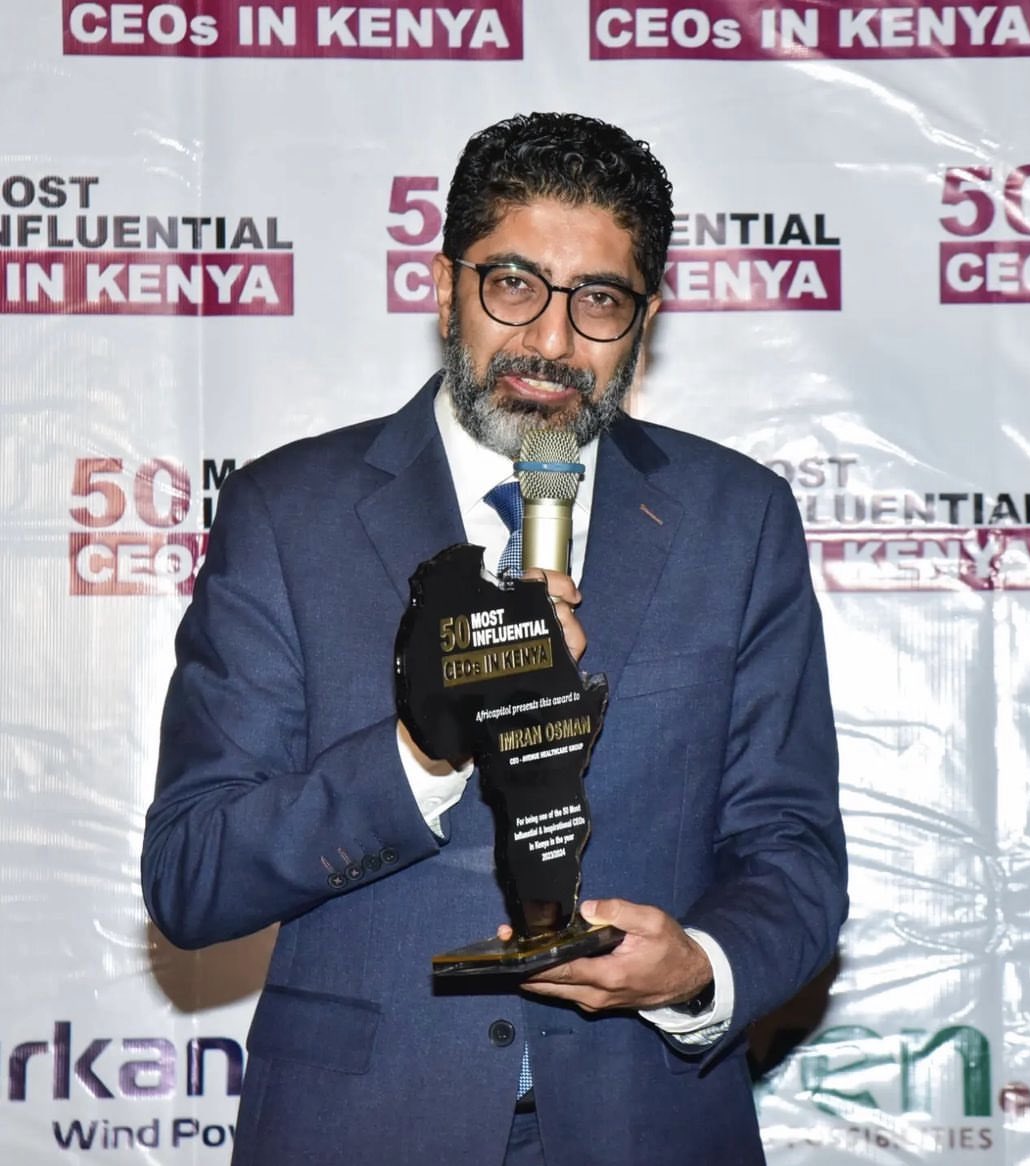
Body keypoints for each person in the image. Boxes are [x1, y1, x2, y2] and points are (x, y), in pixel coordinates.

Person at [142, 112, 847, 1166]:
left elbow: (792, 850)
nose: (553, 342)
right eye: (513, 284)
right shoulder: (292, 513)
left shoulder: (734, 520)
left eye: (598, 300)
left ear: (644, 320)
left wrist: (699, 965)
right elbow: (194, 875)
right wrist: (420, 749)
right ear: (443, 285)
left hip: (648, 1120)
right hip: (361, 1129)